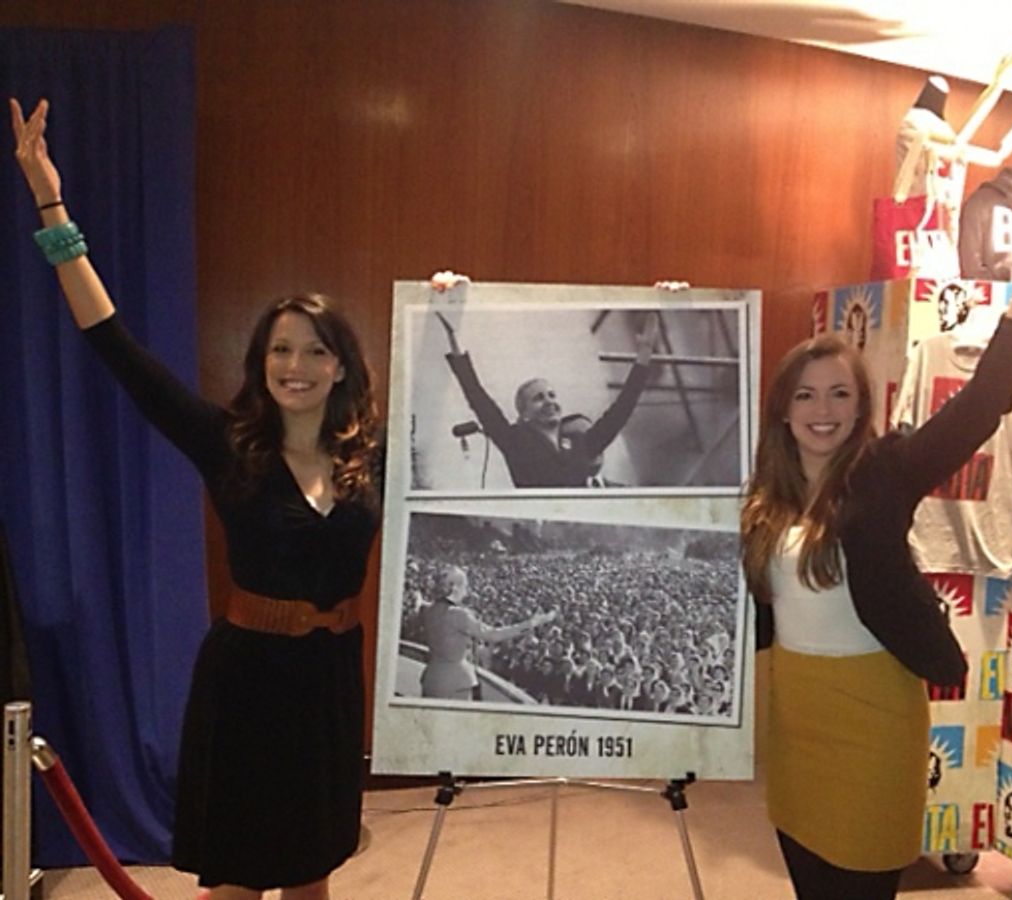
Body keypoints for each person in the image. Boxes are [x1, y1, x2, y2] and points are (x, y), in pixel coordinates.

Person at [11, 98, 381, 900]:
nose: (296, 364)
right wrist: (52, 203)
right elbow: (111, 341)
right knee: (239, 880)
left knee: (313, 867)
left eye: (315, 351)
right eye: (280, 348)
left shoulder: (370, 456)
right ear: (261, 361)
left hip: (326, 682)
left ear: (341, 367)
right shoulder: (228, 443)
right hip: (247, 683)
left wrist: (455, 305)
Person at [740, 152, 1012, 900]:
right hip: (795, 717)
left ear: (860, 405)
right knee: (810, 884)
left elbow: (985, 399)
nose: (823, 410)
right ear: (783, 408)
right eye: (807, 395)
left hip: (874, 714)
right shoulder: (763, 496)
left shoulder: (886, 472)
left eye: (839, 394)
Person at [434, 309, 657, 487]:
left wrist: (645, 352)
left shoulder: (582, 442)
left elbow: (621, 410)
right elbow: (478, 398)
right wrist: (453, 336)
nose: (549, 401)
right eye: (538, 398)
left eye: (552, 395)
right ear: (524, 414)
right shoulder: (514, 441)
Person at [419, 564, 555, 700]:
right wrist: (531, 623)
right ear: (455, 588)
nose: (466, 592)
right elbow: (493, 635)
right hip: (455, 683)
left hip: (431, 678)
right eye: (465, 586)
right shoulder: (459, 614)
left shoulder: (429, 611)